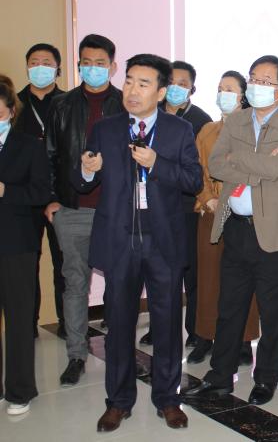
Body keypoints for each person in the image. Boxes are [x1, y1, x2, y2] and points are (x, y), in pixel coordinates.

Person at [75, 54, 202, 432]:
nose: (132, 90)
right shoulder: (106, 128)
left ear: (161, 92)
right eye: (129, 81)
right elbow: (82, 181)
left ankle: (168, 399)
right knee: (118, 324)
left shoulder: (179, 130)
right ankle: (118, 402)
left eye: (143, 84)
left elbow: (193, 180)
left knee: (166, 323)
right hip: (120, 239)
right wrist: (87, 170)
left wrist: (156, 163)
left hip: (163, 242)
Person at [183, 55, 278, 406]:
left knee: (272, 313)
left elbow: (276, 168)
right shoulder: (236, 120)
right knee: (230, 307)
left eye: (265, 81)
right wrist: (257, 163)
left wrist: (239, 160)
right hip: (236, 228)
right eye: (253, 78)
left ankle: (266, 378)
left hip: (274, 233)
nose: (256, 86)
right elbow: (216, 165)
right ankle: (220, 377)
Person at [46, 34, 124, 387]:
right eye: (87, 63)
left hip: (115, 211)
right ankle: (76, 354)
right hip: (73, 209)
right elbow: (49, 155)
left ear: (112, 66)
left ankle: (117, 349)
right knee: (75, 284)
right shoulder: (61, 105)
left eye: (100, 63)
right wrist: (52, 199)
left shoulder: (125, 104)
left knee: (119, 284)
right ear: (78, 65)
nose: (93, 68)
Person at [188, 71, 260, 366]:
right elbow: (195, 170)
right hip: (210, 213)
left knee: (244, 281)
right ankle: (205, 337)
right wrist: (208, 198)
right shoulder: (207, 131)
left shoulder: (254, 131)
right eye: (220, 88)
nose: (223, 94)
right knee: (208, 279)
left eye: (229, 89)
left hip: (243, 216)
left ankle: (243, 340)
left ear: (242, 96)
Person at [140, 60, 211, 347]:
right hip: (153, 205)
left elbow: (199, 170)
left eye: (183, 84)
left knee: (191, 272)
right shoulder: (149, 115)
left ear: (192, 89)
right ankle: (159, 328)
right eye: (171, 82)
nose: (176, 88)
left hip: (186, 207)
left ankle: (195, 331)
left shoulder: (200, 120)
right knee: (158, 272)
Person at [0, 76, 50, 416]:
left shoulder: (29, 145)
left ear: (10, 110)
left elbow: (40, 192)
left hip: (16, 242)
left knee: (18, 319)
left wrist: (7, 191)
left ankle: (19, 391)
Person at [17, 43, 66, 338]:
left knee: (65, 263)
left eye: (46, 62)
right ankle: (27, 324)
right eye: (34, 62)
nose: (39, 67)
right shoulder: (15, 103)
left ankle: (68, 323)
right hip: (23, 197)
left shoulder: (69, 102)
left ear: (58, 68)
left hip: (60, 197)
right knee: (25, 263)